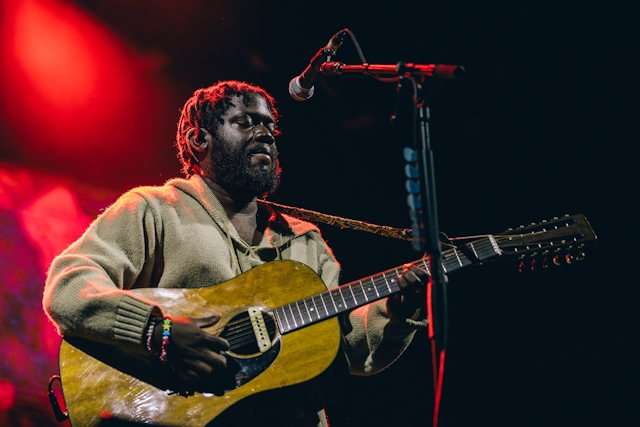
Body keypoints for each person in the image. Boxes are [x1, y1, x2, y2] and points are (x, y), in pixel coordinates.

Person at [43, 80, 429, 427]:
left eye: (270, 127)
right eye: (245, 122)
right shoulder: (154, 209)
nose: (265, 134)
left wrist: (396, 313)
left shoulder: (306, 243)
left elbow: (346, 352)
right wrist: (157, 331)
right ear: (199, 140)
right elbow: (69, 285)